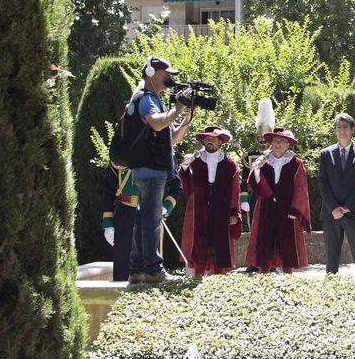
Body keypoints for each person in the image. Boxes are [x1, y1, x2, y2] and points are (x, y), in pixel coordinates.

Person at [125, 56, 193, 284]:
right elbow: (156, 123)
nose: (171, 79)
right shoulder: (146, 99)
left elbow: (173, 138)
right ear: (152, 74)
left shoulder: (154, 99)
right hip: (150, 169)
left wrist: (185, 117)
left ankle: (136, 270)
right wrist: (176, 108)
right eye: (167, 74)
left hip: (151, 168)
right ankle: (154, 270)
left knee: (143, 218)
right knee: (151, 219)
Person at [244, 127, 312, 273]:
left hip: (288, 211)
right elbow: (254, 186)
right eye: (275, 141)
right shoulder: (263, 162)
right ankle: (263, 278)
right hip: (265, 209)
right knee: (264, 246)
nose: (278, 144)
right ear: (270, 144)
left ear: (288, 145)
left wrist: (295, 209)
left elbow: (301, 188)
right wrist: (256, 170)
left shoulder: (296, 164)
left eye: (282, 141)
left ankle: (288, 280)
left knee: (288, 248)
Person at [177, 126, 242, 276]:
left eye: (213, 139)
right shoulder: (195, 161)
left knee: (220, 245)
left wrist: (234, 212)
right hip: (199, 208)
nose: (209, 142)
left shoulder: (230, 164)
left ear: (220, 142)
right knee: (199, 244)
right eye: (207, 139)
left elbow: (234, 191)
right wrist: (185, 166)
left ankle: (219, 280)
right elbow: (185, 184)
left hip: (221, 207)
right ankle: (198, 277)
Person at [318, 113, 355, 275]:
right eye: (339, 127)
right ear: (335, 131)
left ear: (352, 129)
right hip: (331, 213)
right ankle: (331, 294)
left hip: (353, 212)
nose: (342, 131)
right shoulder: (326, 154)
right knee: (331, 259)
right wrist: (334, 208)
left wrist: (347, 207)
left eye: (345, 127)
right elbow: (323, 183)